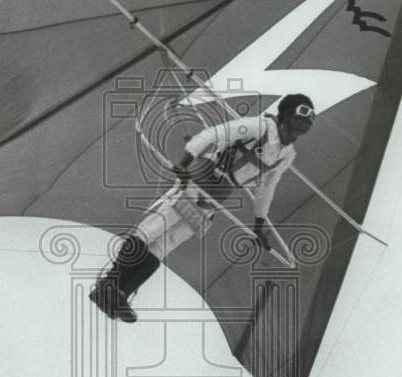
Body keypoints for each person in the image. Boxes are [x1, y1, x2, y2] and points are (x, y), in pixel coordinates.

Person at [89, 93, 315, 322]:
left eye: (311, 120)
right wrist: (185, 162)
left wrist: (259, 223)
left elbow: (267, 188)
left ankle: (121, 294)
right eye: (302, 115)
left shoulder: (287, 155)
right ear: (286, 114)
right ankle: (108, 285)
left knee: (164, 246)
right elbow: (214, 134)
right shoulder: (260, 126)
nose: (307, 122)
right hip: (198, 183)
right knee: (151, 231)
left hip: (213, 201)